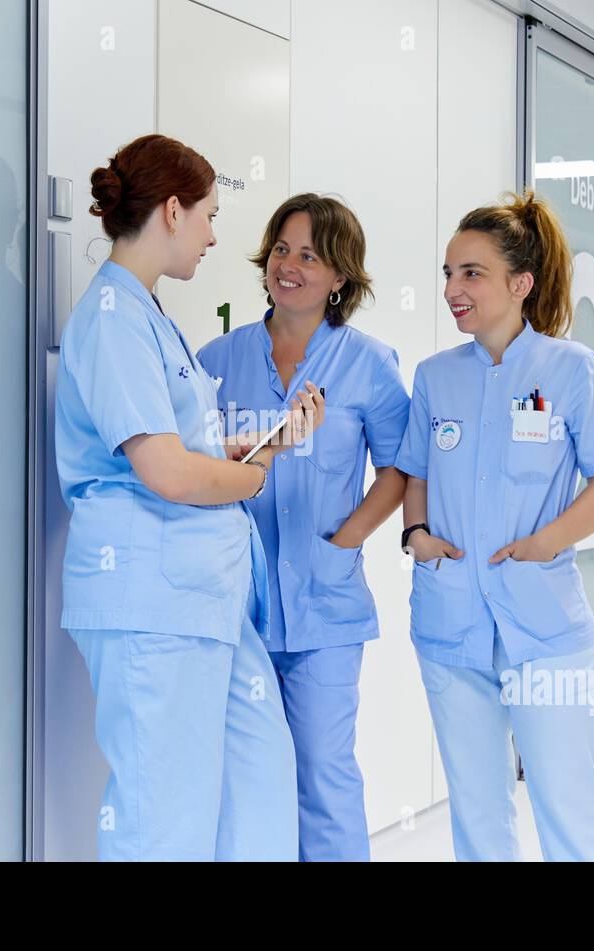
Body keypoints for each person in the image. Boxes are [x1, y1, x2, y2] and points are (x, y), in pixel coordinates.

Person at [54, 133, 326, 861]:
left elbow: (182, 453)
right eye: (206, 214)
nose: (212, 235)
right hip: (155, 602)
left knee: (258, 781)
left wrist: (253, 447)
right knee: (163, 818)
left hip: (205, 601)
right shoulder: (112, 318)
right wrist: (255, 475)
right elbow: (167, 473)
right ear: (171, 211)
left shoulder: (148, 315)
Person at [393, 190, 594, 861]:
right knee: (477, 810)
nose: (452, 289)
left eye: (471, 273)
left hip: (543, 627)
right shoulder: (436, 377)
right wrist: (415, 535)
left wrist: (550, 540)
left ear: (520, 284)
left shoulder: (571, 369)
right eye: (447, 273)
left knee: (570, 804)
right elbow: (415, 471)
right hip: (451, 623)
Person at [197, 194, 409, 861]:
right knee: (249, 778)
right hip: (237, 603)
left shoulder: (369, 363)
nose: (289, 266)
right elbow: (195, 467)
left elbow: (402, 468)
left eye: (310, 256)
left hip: (325, 604)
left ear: (340, 276)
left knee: (322, 771)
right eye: (282, 250)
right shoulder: (215, 359)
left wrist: (347, 538)